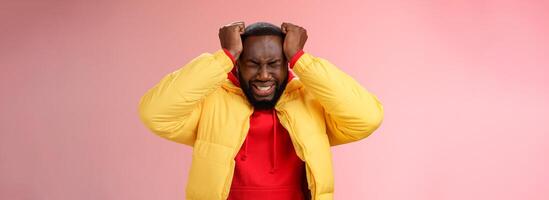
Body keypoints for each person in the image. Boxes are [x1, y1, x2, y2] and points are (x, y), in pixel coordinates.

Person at [138, 21, 384, 200]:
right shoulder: (213, 102)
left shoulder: (309, 102)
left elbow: (367, 117)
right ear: (237, 66)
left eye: (274, 64)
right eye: (252, 64)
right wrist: (224, 56)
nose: (264, 75)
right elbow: (155, 113)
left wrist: (302, 59)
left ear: (287, 64)